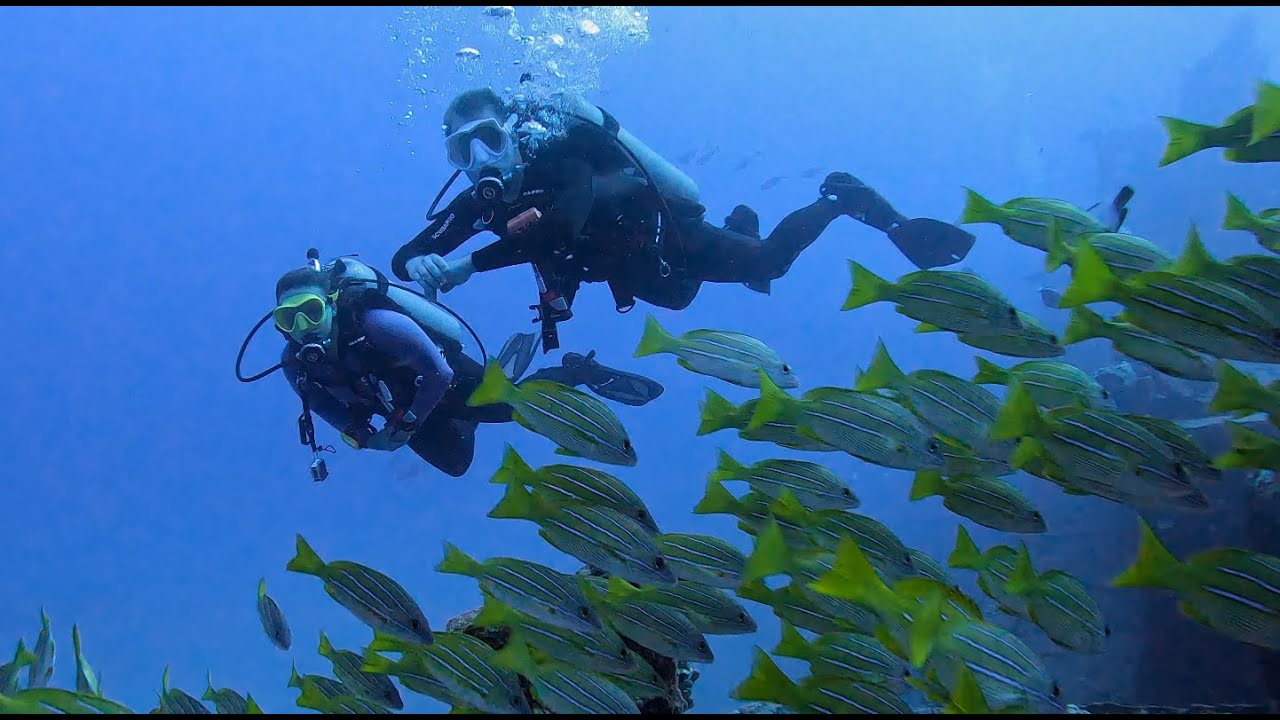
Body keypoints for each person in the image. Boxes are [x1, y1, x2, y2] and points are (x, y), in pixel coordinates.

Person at [390, 85, 977, 350]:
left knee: (771, 262)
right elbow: (404, 256)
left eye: (489, 139)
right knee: (679, 303)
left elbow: (562, 226)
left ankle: (839, 197)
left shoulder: (565, 161)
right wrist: (421, 261)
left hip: (669, 234)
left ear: (515, 136)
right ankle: (740, 227)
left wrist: (467, 263)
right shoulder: (479, 201)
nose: (479, 161)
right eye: (461, 151)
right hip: (623, 267)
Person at [271, 256, 662, 478]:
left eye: (310, 311)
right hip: (404, 411)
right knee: (456, 465)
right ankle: (474, 410)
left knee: (515, 407)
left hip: (449, 382)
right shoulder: (296, 366)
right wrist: (358, 433)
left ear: (331, 302)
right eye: (289, 320)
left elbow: (438, 373)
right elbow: (326, 408)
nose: (302, 327)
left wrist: (405, 426)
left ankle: (579, 370)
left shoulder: (374, 322)